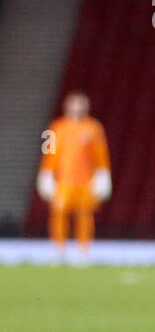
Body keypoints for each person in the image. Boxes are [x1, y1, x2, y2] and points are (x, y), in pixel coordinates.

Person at [37, 91, 111, 259]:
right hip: (64, 180)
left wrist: (103, 175)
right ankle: (58, 248)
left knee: (85, 215)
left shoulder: (94, 128)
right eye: (74, 104)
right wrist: (46, 174)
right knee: (59, 213)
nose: (77, 107)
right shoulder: (56, 127)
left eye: (80, 104)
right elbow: (48, 153)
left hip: (86, 181)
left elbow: (101, 154)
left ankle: (83, 249)